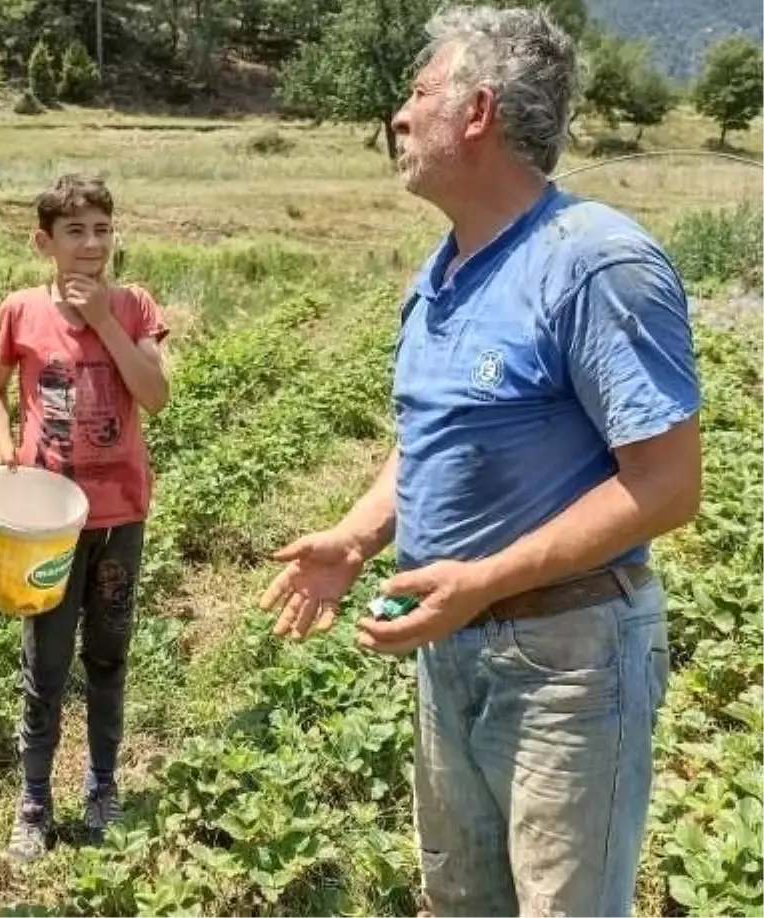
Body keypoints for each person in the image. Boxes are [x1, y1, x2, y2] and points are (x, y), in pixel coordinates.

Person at [260, 7, 702, 917]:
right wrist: (355, 537)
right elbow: (432, 436)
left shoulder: (593, 263)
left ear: (478, 112)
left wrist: (487, 579)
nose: (398, 115)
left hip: (566, 659)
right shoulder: (447, 271)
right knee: (462, 899)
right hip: (453, 647)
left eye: (419, 93)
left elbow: (666, 487)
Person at [0, 174, 170, 864]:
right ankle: (34, 800)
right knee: (46, 663)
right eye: (75, 232)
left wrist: (106, 322)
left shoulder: (135, 306)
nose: (92, 246)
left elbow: (156, 396)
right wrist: (4, 445)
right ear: (45, 242)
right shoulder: (21, 310)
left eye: (102, 231)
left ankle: (102, 785)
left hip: (120, 517)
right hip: (48, 522)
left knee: (109, 655)